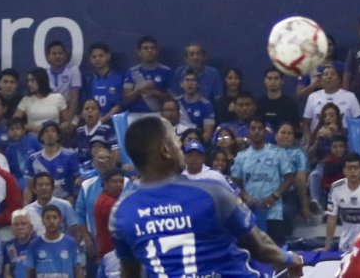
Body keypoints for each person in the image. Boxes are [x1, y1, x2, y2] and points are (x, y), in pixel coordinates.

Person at [110, 116, 302, 277]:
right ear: (165, 150)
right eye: (176, 142)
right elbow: (259, 246)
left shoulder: (121, 212)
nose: (181, 148)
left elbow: (130, 273)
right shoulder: (212, 191)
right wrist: (289, 259)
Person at [324, 153, 360, 253]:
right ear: (344, 170)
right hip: (345, 245)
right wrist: (327, 247)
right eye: (349, 168)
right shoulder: (336, 188)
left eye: (356, 168)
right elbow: (332, 218)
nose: (353, 171)